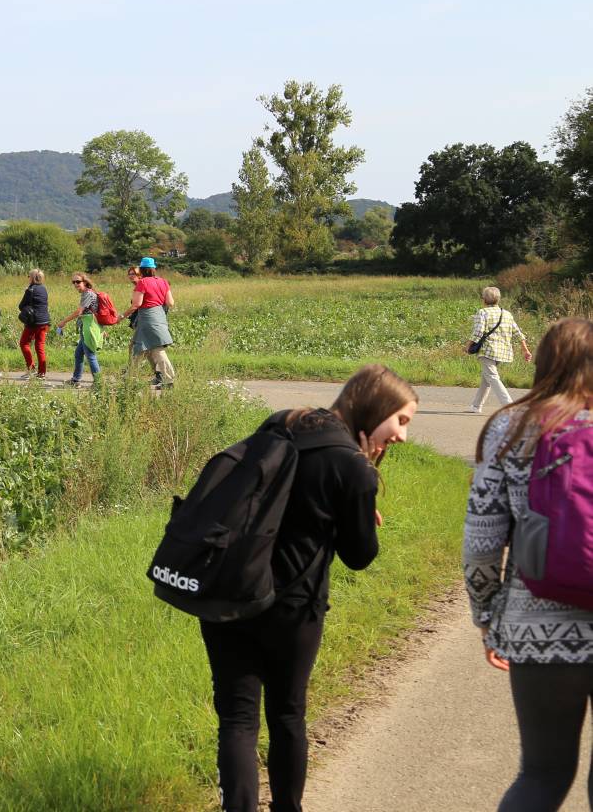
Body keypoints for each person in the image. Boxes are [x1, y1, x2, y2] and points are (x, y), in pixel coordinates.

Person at [201, 364, 417, 812]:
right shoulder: (353, 467)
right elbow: (360, 556)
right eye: (401, 420)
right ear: (375, 409)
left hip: (228, 592)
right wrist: (358, 514)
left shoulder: (283, 421)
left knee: (237, 721)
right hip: (292, 608)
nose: (402, 435)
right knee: (286, 717)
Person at [465, 318, 593, 811]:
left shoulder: (510, 427)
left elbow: (481, 540)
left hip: (537, 631)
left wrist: (487, 616)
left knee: (541, 775)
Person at [467, 285, 534, 414]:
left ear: (484, 300)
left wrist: (468, 345)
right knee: (487, 378)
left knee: (492, 377)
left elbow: (478, 332)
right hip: (502, 352)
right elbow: (517, 332)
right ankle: (476, 406)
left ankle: (508, 405)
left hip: (487, 350)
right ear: (498, 299)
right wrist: (525, 350)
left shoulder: (483, 312)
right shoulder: (506, 314)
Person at [124, 257, 176, 389]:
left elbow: (137, 304)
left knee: (156, 349)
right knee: (139, 347)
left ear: (141, 269)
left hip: (147, 318)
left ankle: (169, 380)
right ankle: (129, 378)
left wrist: (122, 316)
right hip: (160, 317)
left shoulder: (143, 283)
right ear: (154, 269)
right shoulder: (163, 282)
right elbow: (170, 303)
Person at [56, 272, 103, 387]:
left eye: (78, 281)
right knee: (78, 354)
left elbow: (79, 312)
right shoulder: (87, 294)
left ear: (85, 282)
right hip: (87, 326)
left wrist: (64, 321)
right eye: (74, 282)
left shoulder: (88, 294)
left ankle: (99, 383)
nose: (75, 284)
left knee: (90, 355)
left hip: (89, 327)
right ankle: (76, 380)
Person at [16, 269, 51, 380]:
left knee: (24, 343)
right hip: (45, 322)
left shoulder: (30, 290)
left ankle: (31, 369)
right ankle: (42, 373)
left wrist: (27, 292)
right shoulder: (44, 289)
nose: (28, 278)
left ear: (32, 278)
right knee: (40, 347)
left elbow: (21, 306)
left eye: (28, 276)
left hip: (33, 322)